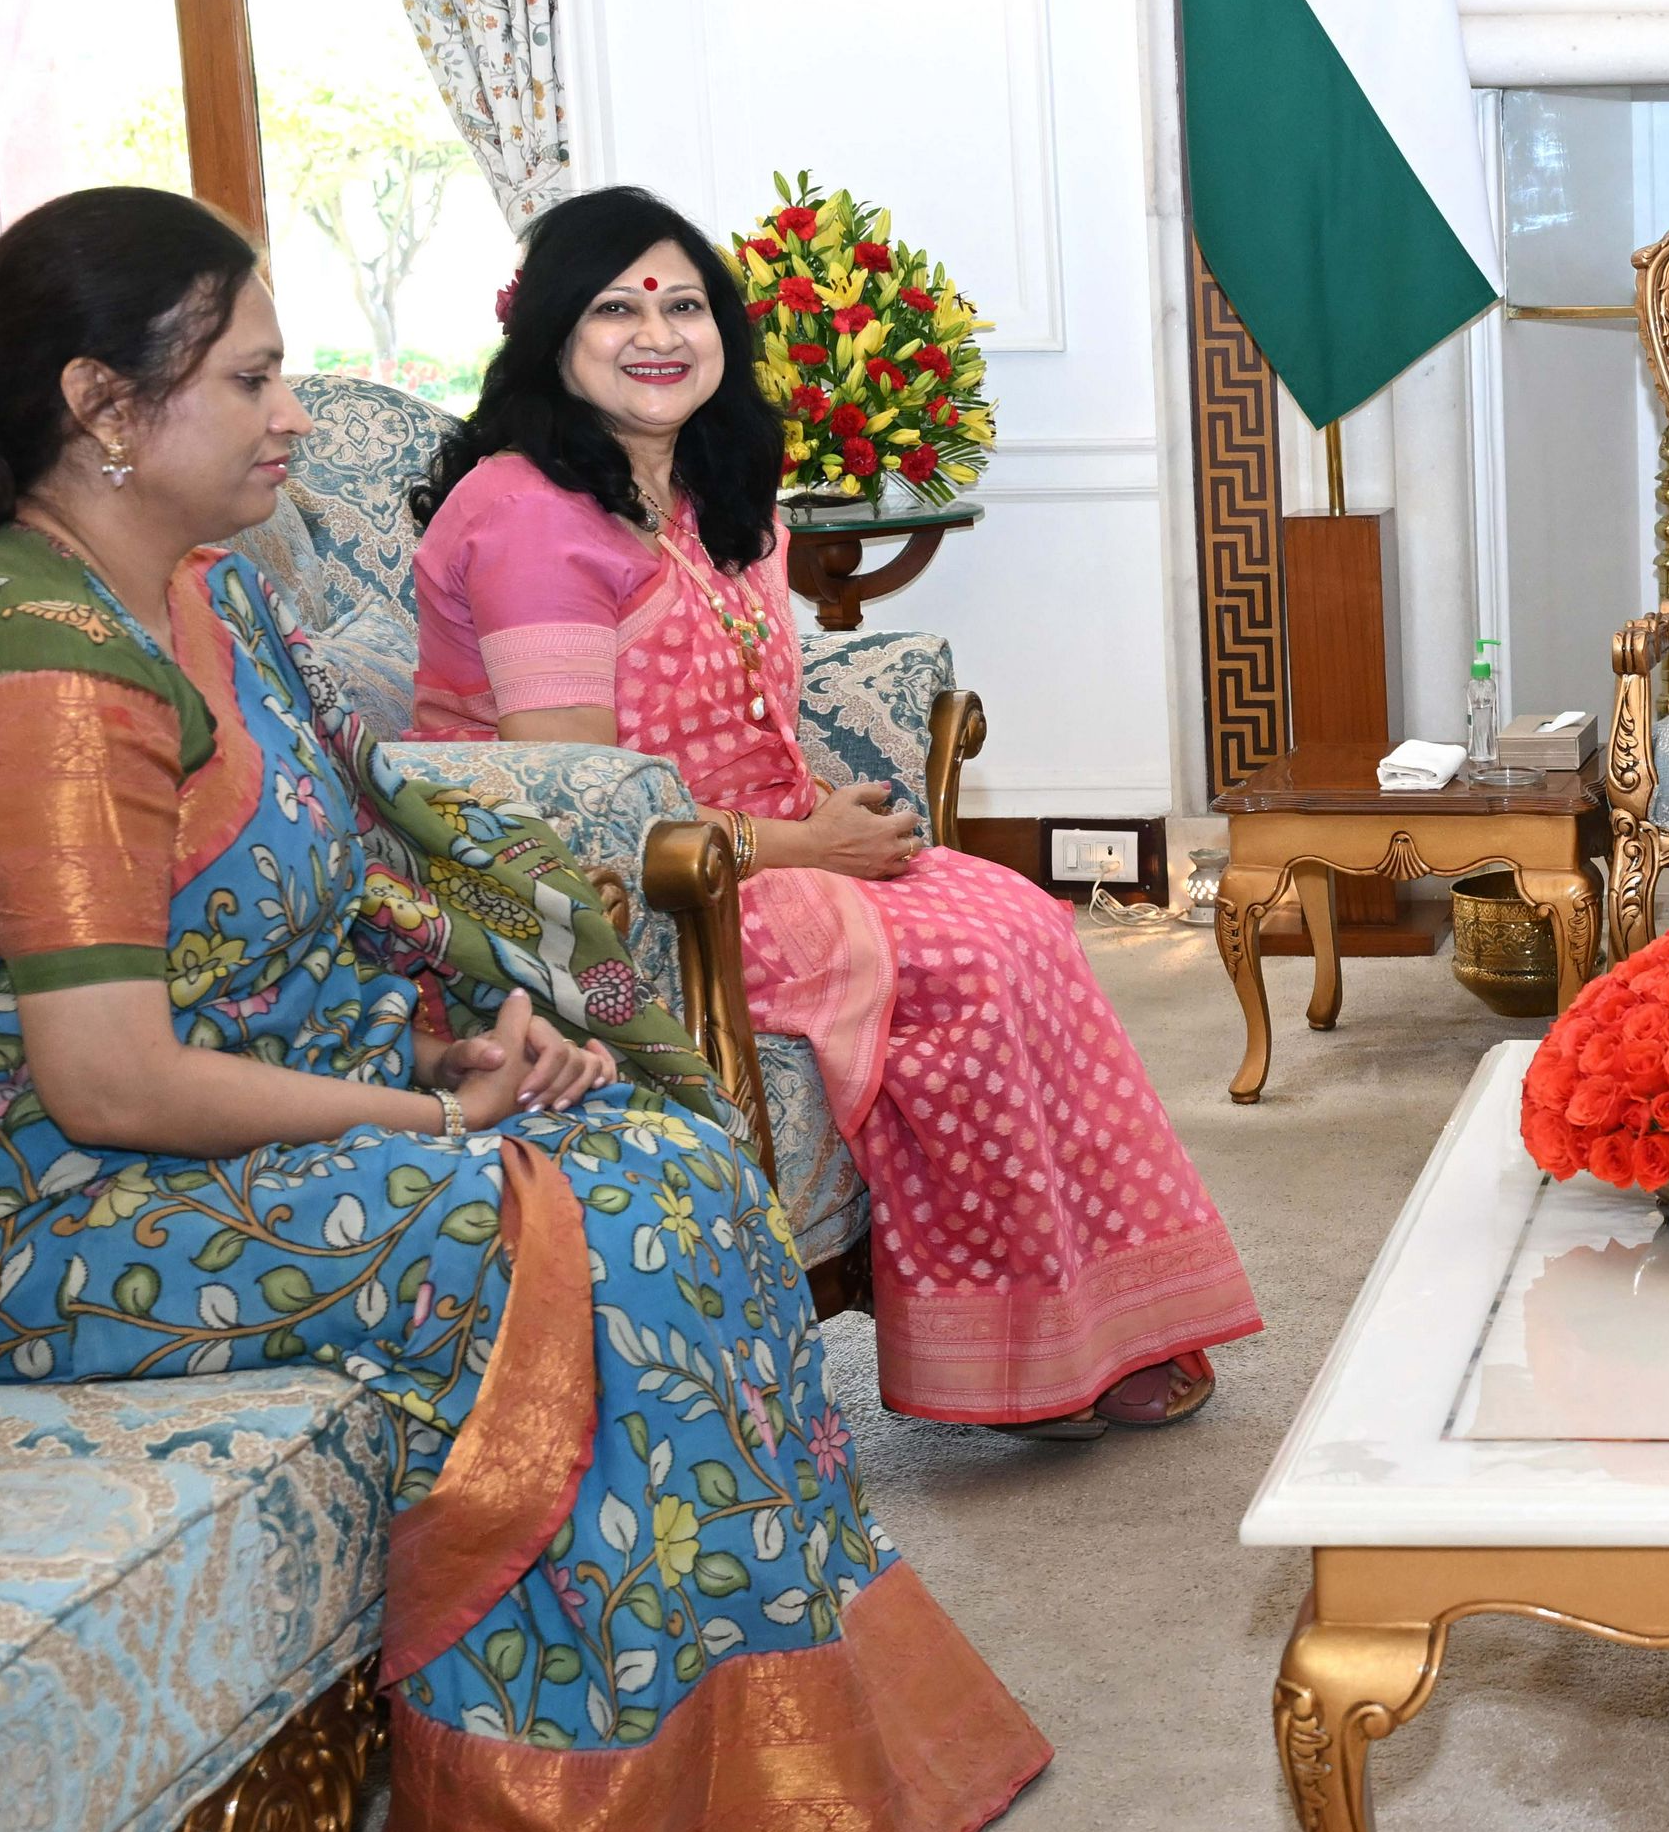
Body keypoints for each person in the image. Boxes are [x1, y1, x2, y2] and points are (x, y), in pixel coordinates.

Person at [0, 188, 1049, 1832]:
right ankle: (567, 1828)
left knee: (672, 1156)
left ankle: (759, 1761)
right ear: (105, 405)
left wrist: (455, 1037)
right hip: (13, 1202)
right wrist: (441, 1123)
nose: (294, 416)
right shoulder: (39, 663)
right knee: (573, 1219)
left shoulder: (195, 583)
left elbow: (325, 878)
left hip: (201, 1102)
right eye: (252, 378)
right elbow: (110, 1077)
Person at [412, 187, 1256, 1439]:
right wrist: (808, 846)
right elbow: (575, 810)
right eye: (615, 309)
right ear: (551, 333)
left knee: (1021, 917)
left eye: (684, 305)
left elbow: (730, 717)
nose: (658, 334)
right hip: (605, 899)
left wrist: (813, 801)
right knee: (960, 964)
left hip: (751, 845)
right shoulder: (528, 511)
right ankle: (1001, 1350)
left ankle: (1095, 1320)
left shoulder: (708, 486)